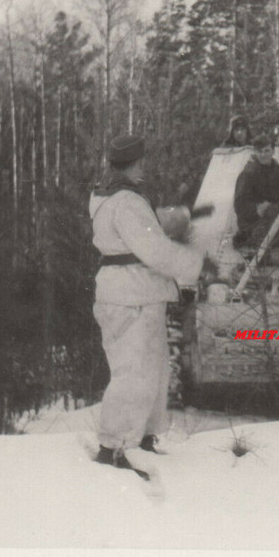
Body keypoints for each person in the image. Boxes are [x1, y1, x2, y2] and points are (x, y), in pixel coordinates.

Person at [89, 133, 213, 479]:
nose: (144, 167)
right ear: (131, 163)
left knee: (153, 371)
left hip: (135, 294)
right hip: (132, 296)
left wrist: (185, 215)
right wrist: (197, 265)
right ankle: (113, 447)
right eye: (141, 162)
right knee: (134, 373)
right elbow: (154, 247)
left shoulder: (107, 196)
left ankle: (139, 439)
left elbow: (147, 225)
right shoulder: (126, 201)